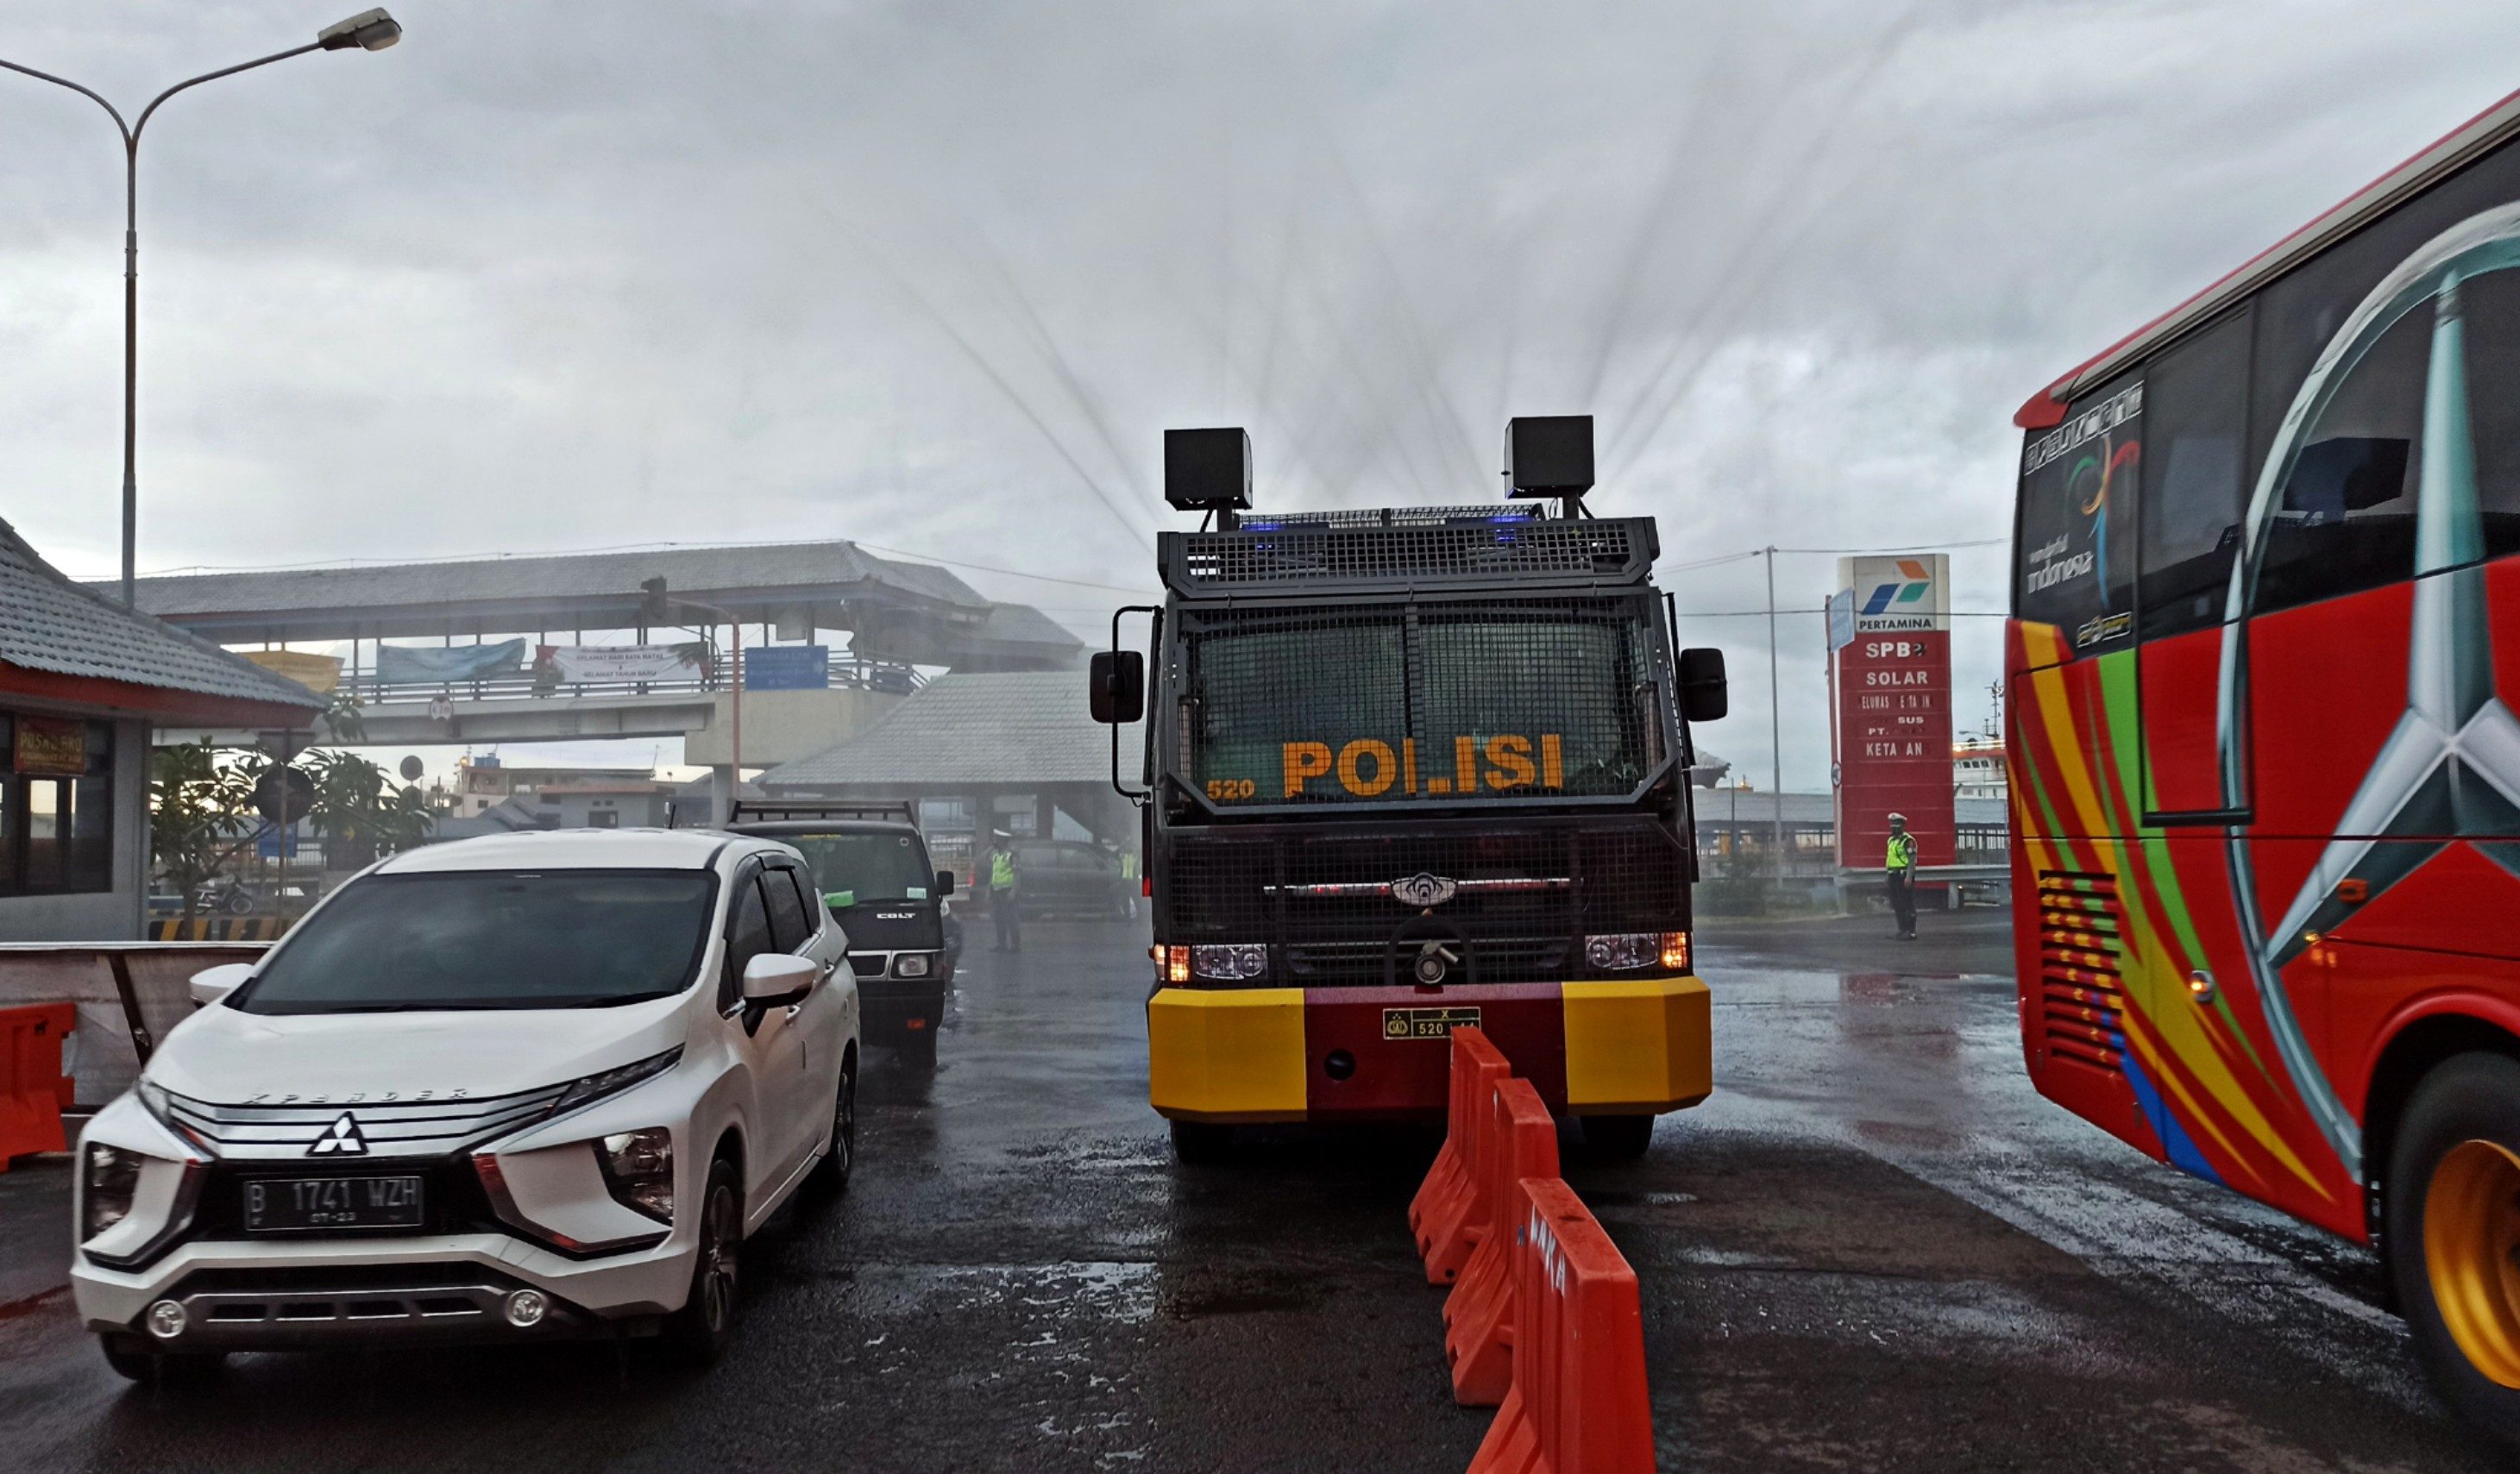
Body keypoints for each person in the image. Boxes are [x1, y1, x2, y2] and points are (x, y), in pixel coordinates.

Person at [986, 831, 1022, 953]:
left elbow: (1017, 873)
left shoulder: (1012, 855)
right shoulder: (995, 855)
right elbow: (993, 873)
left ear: (1003, 840)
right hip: (997, 891)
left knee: (1012, 918)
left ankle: (1015, 945)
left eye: (997, 839)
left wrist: (1014, 890)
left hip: (1008, 891)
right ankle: (1001, 944)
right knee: (999, 918)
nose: (995, 841)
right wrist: (989, 890)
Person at [1885, 812, 1919, 940]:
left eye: (1896, 825)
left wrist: (1909, 877)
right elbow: (1890, 859)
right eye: (1892, 825)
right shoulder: (1891, 841)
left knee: (1907, 903)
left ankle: (1911, 931)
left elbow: (1912, 860)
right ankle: (1902, 929)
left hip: (1903, 875)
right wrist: (1888, 875)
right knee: (1896, 903)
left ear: (1902, 826)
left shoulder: (1908, 841)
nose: (1893, 827)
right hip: (1893, 874)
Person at [1118, 843, 1140, 920]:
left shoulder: (1132, 857)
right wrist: (1124, 845)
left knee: (1135, 898)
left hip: (1131, 880)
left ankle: (1138, 916)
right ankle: (1127, 916)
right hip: (1125, 880)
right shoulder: (1123, 857)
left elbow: (1139, 853)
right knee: (1125, 899)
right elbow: (1117, 853)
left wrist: (1132, 845)